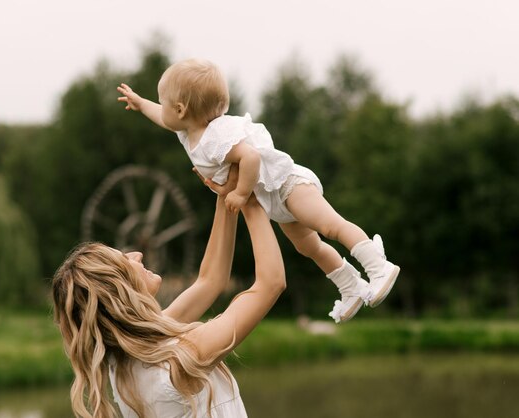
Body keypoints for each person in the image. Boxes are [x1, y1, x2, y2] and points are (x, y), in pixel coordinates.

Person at [116, 58, 400, 323]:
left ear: (180, 110)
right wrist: (141, 104)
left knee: (330, 226)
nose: (161, 109)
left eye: (163, 103)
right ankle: (350, 286)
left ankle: (377, 266)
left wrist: (239, 193)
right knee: (307, 246)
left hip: (287, 184)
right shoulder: (188, 131)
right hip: (271, 198)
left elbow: (250, 158)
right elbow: (162, 117)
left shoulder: (214, 136)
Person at [52, 166, 286, 418]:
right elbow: (271, 283)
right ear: (119, 289)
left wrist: (226, 196)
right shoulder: (178, 360)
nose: (137, 254)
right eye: (124, 260)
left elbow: (210, 281)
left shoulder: (131, 360)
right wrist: (248, 199)